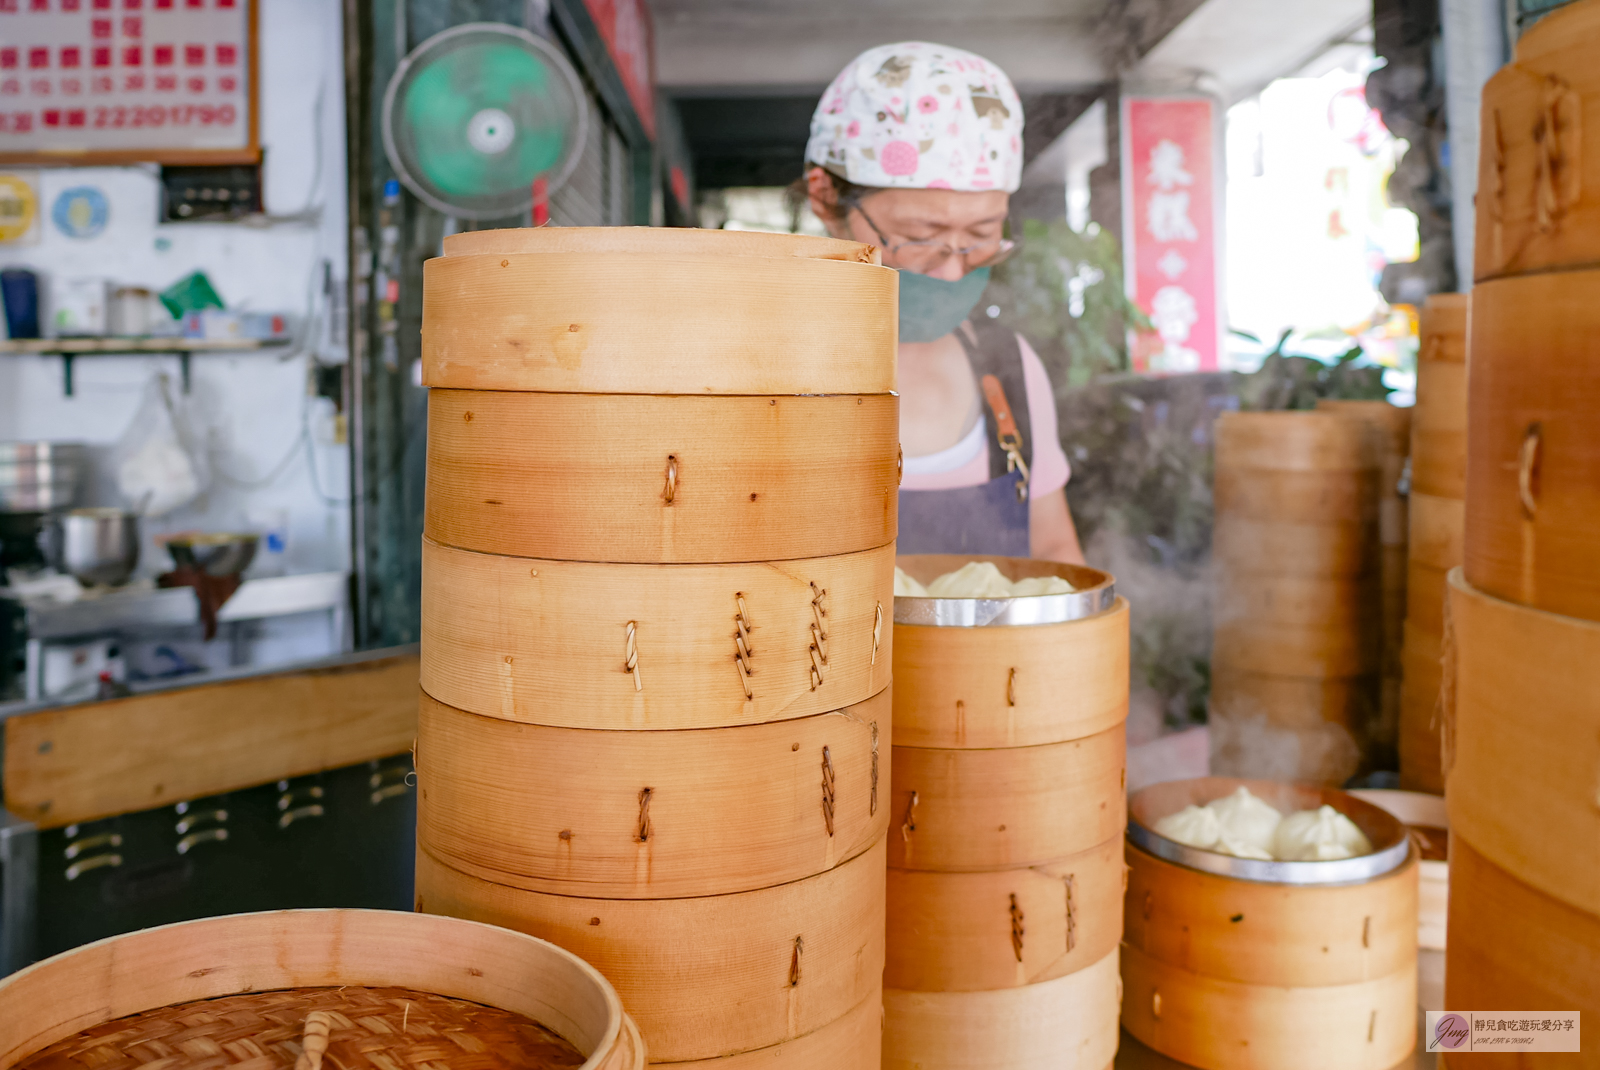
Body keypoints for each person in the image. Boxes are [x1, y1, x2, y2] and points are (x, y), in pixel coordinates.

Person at [800, 42, 1085, 564]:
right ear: (825, 198)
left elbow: (1053, 549)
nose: (953, 270)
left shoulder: (1009, 367)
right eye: (919, 235)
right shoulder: (748, 372)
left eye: (980, 235)